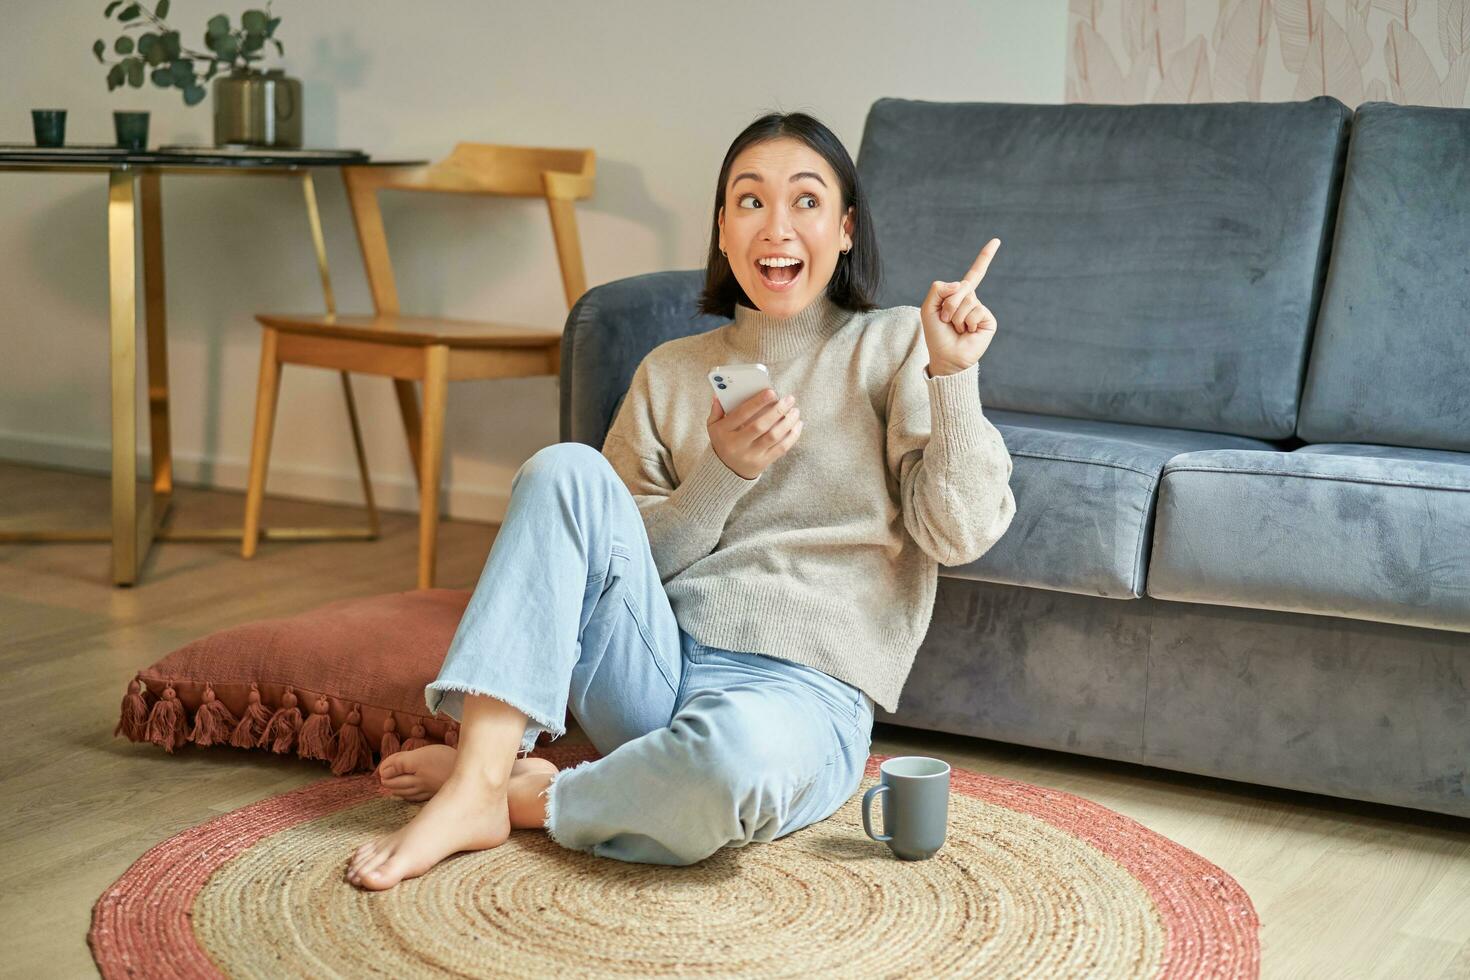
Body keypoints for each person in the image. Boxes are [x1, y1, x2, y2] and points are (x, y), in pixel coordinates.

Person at [346, 111, 1016, 890]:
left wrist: (954, 374)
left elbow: (959, 532)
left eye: (806, 200)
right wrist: (722, 474)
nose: (777, 225)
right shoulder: (670, 370)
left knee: (726, 768)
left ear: (844, 230)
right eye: (750, 201)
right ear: (724, 232)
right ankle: (477, 782)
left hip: (800, 697)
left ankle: (537, 794)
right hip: (653, 662)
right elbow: (613, 562)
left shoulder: (898, 344)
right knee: (564, 470)